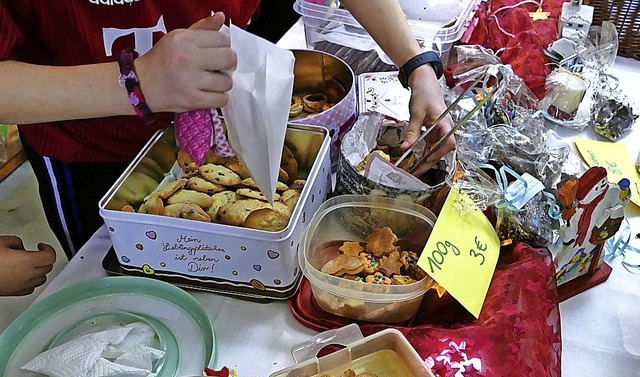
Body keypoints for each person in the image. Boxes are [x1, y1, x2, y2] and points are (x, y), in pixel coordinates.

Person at [0, 0, 454, 259]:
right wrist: (135, 83)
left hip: (224, 123)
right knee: (128, 281)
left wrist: (416, 64)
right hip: (93, 148)